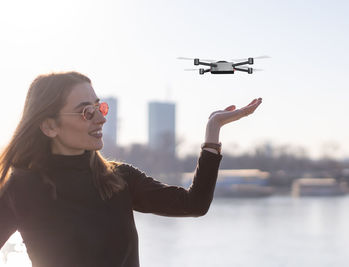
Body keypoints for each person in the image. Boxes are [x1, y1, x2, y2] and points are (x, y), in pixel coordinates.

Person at [0, 71, 262, 267]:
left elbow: (194, 204)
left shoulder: (118, 178)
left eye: (100, 107)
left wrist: (213, 130)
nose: (102, 118)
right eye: (86, 112)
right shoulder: (21, 189)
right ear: (49, 126)